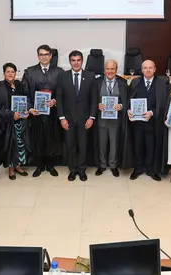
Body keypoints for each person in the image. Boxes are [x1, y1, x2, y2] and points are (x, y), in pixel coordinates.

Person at [56, 50, 98, 181]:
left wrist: (92, 117)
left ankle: (82, 170)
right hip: (68, 119)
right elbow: (59, 99)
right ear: (70, 62)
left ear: (82, 61)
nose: (76, 63)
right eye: (73, 60)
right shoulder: (62, 76)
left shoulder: (90, 76)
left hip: (85, 119)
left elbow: (94, 99)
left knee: (83, 146)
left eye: (78, 60)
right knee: (71, 146)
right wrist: (62, 118)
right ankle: (73, 170)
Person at [22, 45, 62, 177]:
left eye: (46, 54)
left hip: (53, 113)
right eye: (41, 54)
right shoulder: (29, 72)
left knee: (51, 139)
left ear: (50, 56)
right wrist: (30, 108)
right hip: (36, 114)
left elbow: (63, 92)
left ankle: (50, 165)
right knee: (38, 139)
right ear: (38, 56)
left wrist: (55, 100)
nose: (44, 57)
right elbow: (25, 92)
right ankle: (39, 166)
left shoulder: (59, 72)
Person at [128, 59, 168, 180]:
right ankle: (138, 169)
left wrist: (152, 112)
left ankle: (151, 170)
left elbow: (164, 104)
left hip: (153, 122)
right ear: (142, 70)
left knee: (151, 146)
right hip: (138, 122)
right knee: (138, 145)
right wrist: (129, 110)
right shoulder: (135, 82)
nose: (148, 70)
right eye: (145, 68)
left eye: (150, 68)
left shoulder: (161, 84)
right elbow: (129, 100)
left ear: (155, 69)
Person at [93, 59, 129, 177]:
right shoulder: (97, 82)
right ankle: (102, 165)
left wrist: (121, 106)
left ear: (116, 70)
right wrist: (97, 105)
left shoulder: (123, 82)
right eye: (107, 69)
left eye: (112, 69)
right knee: (101, 143)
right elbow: (91, 99)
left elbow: (127, 101)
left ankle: (113, 165)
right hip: (101, 119)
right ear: (104, 69)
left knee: (114, 143)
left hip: (116, 119)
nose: (110, 71)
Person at [0, 63, 30, 180]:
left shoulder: (20, 85)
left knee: (20, 143)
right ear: (4, 73)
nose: (10, 74)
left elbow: (26, 99)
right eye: (8, 71)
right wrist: (11, 114)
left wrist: (27, 110)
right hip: (8, 122)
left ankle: (18, 166)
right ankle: (11, 169)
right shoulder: (0, 87)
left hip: (21, 121)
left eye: (12, 72)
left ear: (16, 73)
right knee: (11, 146)